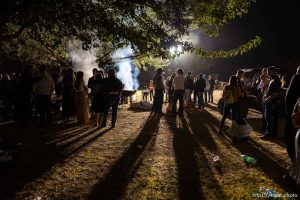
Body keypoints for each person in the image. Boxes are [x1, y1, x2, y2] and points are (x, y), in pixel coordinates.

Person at [261, 66, 281, 139]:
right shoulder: (272, 79)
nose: (268, 73)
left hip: (272, 102)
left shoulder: (276, 80)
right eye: (267, 72)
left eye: (269, 72)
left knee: (269, 117)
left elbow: (276, 92)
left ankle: (269, 133)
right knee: (272, 118)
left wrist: (268, 99)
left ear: (273, 71)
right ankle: (273, 133)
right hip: (271, 101)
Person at [285, 66, 300, 161]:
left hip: (295, 115)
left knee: (292, 136)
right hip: (295, 113)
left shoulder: (297, 78)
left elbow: (289, 97)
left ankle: (294, 158)